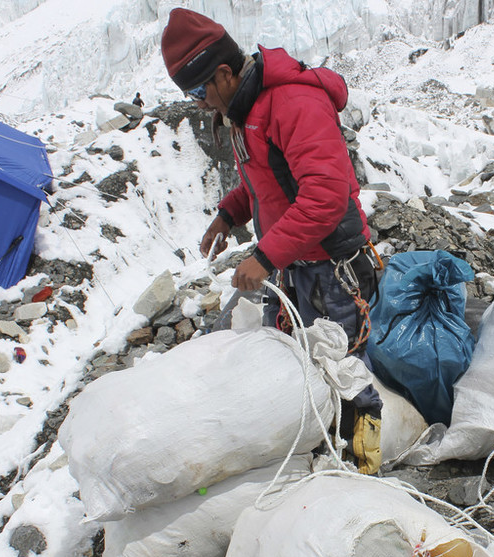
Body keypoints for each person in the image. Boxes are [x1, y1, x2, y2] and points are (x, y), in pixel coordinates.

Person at [161, 8, 383, 474]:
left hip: (334, 265)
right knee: (290, 359)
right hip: (298, 262)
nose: (200, 104)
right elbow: (265, 182)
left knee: (344, 369)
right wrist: (229, 214)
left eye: (200, 91)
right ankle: (310, 449)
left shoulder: (291, 104)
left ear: (223, 73)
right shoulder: (247, 112)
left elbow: (324, 195)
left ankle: (364, 468)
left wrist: (264, 256)